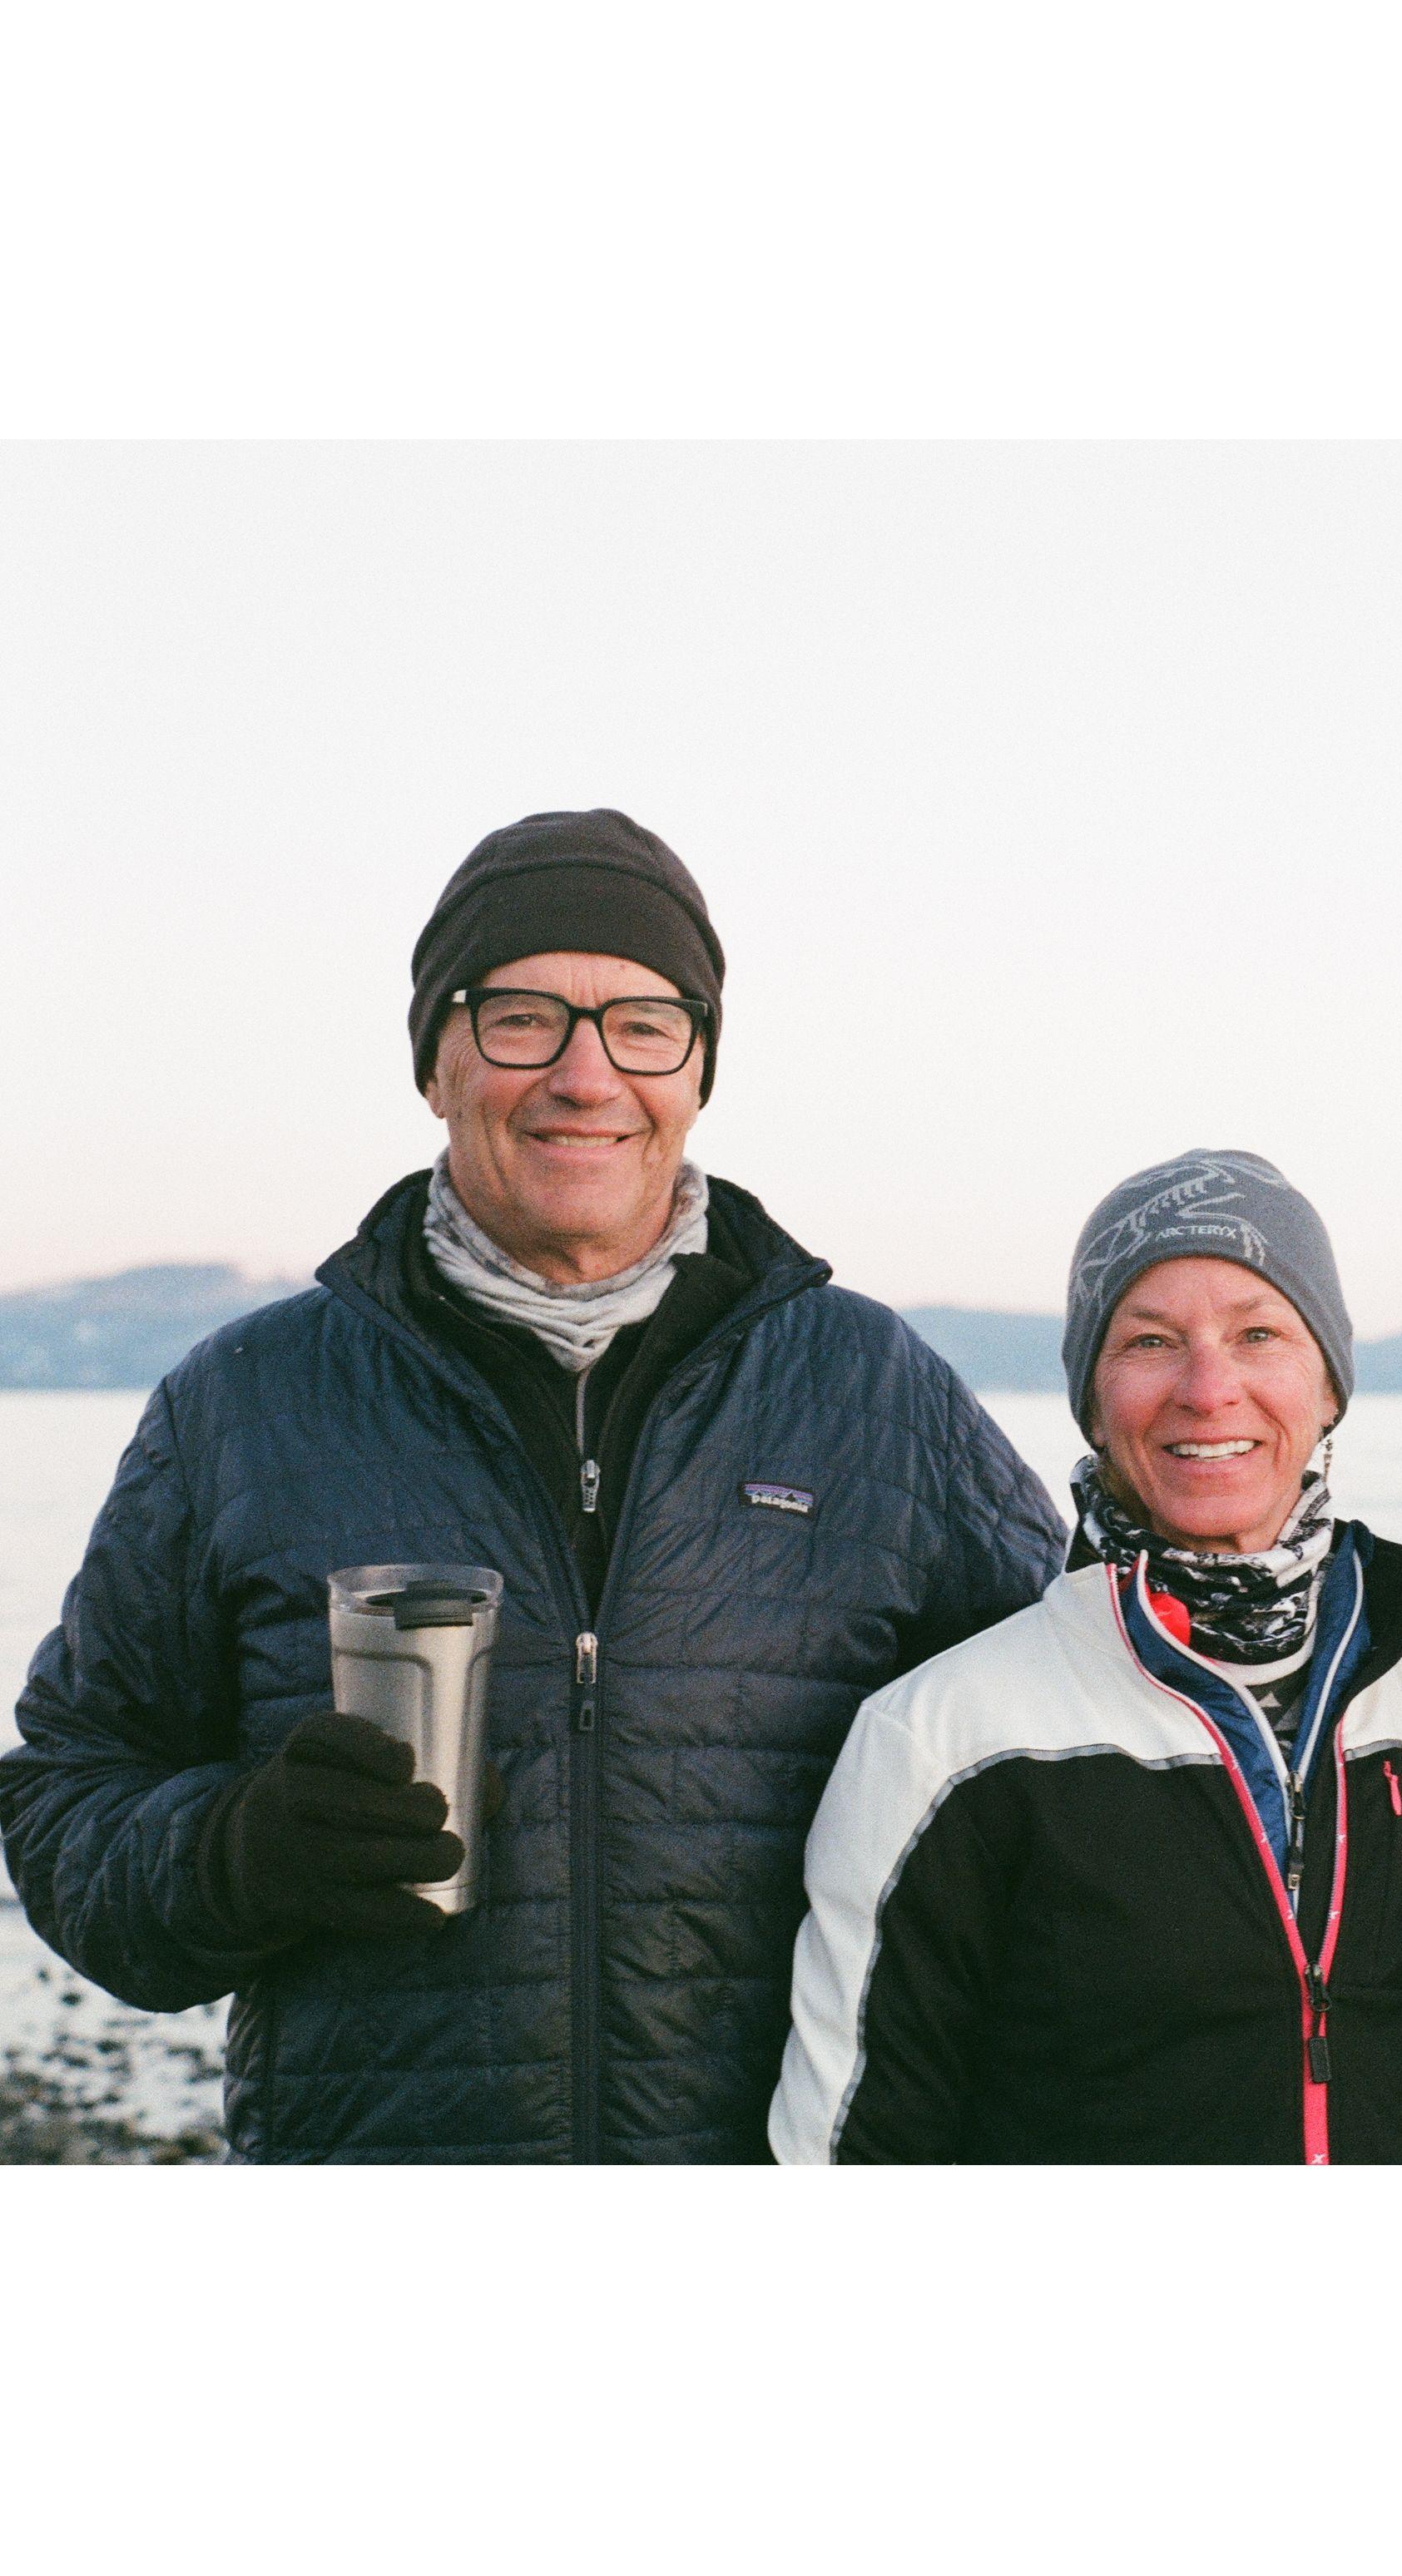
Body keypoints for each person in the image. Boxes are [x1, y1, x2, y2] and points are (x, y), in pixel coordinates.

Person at [0, 808, 1064, 2161]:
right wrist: (236, 1855)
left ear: (699, 1069)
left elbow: (1082, 1766)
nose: (585, 1074)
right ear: (436, 1063)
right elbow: (62, 1801)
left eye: (643, 1024)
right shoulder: (244, 1409)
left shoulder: (876, 1398)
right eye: (522, 1019)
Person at [771, 1149, 1402, 2163]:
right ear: (1091, 1397)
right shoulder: (946, 1738)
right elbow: (845, 2153)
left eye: (1259, 1334)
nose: (1209, 1390)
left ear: (1329, 1385)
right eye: (1150, 1341)